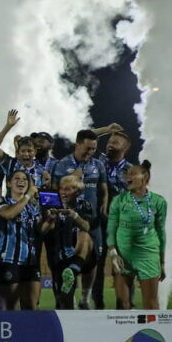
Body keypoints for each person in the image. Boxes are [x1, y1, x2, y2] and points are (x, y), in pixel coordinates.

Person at [52, 129, 108, 309]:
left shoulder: (98, 165)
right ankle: (66, 299)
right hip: (66, 219)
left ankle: (86, 298)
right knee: (68, 256)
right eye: (88, 148)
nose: (90, 152)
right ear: (77, 144)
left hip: (91, 217)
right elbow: (54, 189)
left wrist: (105, 205)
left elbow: (104, 189)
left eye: (93, 149)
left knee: (93, 259)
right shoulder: (62, 164)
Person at [107, 161, 167, 310]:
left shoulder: (158, 201)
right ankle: (124, 334)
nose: (128, 177)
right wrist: (113, 253)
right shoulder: (118, 201)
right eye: (127, 174)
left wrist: (162, 261)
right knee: (123, 305)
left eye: (133, 174)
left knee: (151, 305)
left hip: (148, 255)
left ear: (145, 177)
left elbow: (161, 231)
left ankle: (152, 333)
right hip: (123, 255)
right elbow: (111, 228)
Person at [41, 175, 95, 309]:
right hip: (60, 257)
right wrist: (51, 218)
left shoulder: (83, 205)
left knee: (85, 235)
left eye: (68, 189)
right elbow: (44, 231)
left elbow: (87, 227)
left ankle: (74, 269)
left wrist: (74, 216)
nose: (64, 192)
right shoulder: (51, 205)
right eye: (62, 189)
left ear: (77, 192)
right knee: (64, 299)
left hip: (80, 255)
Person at [92, 129, 132, 308]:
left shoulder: (131, 171)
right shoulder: (97, 161)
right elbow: (85, 138)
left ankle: (123, 305)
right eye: (109, 141)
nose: (110, 144)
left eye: (115, 142)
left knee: (122, 266)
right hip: (98, 222)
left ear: (125, 147)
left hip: (121, 225)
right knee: (96, 264)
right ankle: (97, 303)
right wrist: (107, 130)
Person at [0, 171, 42, 310]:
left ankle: (30, 332)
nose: (21, 181)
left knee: (31, 308)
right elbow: (9, 214)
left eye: (25, 179)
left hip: (30, 262)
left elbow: (41, 230)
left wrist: (50, 217)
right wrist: (28, 196)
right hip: (7, 260)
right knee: (9, 308)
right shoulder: (2, 201)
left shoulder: (33, 208)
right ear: (9, 183)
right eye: (17, 178)